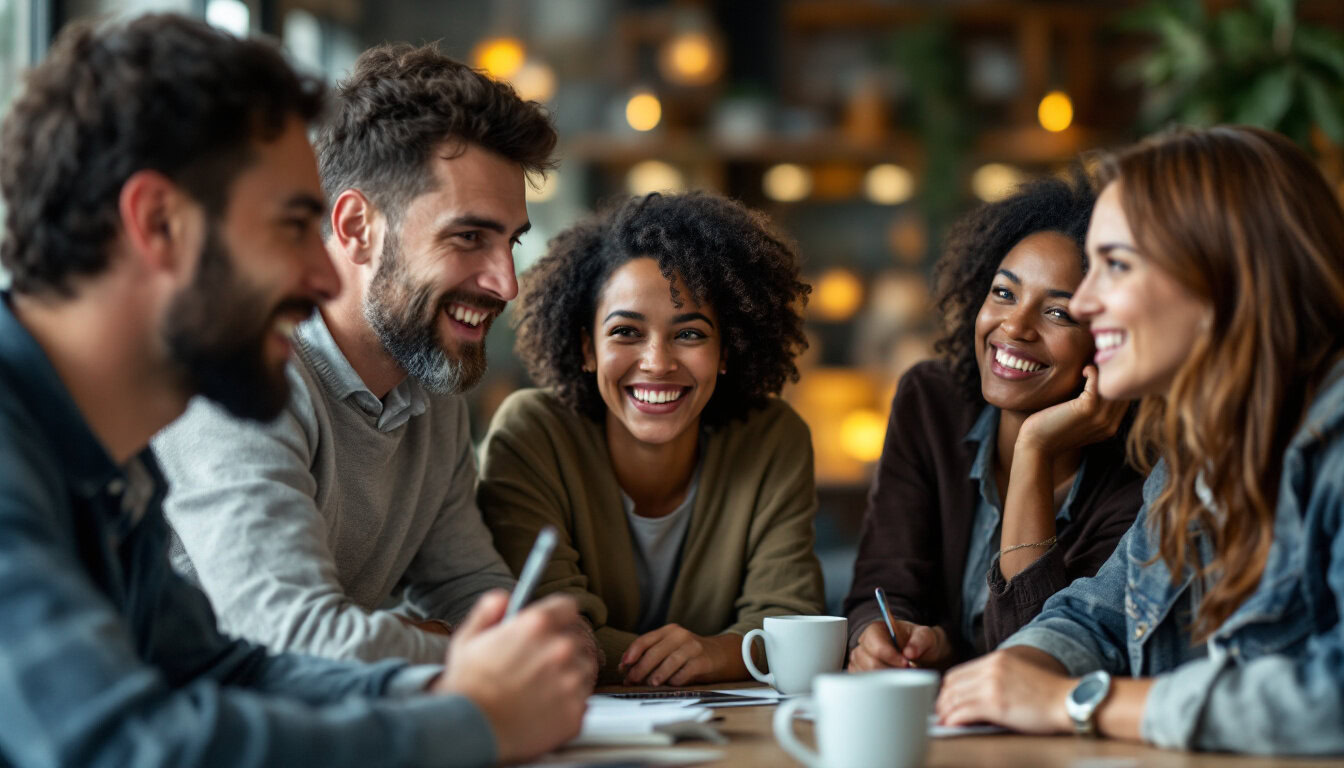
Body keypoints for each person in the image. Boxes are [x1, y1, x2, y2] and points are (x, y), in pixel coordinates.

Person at [0, 14, 587, 768]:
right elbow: (125, 748)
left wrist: (478, 692)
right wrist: (470, 719)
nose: (320, 279)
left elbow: (225, 669)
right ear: (158, 223)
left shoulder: (100, 456)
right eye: (290, 228)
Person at [151, 41, 598, 670]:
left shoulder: (428, 388)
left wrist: (548, 637)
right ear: (358, 227)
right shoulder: (244, 375)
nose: (507, 283)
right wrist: (459, 649)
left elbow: (474, 591)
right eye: (469, 237)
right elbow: (290, 634)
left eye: (510, 243)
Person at [934, 126, 1344, 755]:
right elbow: (1100, 613)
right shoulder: (1199, 455)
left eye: (1116, 266)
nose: (1088, 302)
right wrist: (1018, 674)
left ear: (1225, 277)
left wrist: (1074, 702)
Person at [478, 192, 825, 685]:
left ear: (727, 350)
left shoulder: (773, 440)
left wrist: (715, 654)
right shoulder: (533, 434)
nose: (658, 362)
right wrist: (718, 654)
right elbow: (546, 626)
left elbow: (791, 621)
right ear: (587, 348)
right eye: (625, 332)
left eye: (690, 335)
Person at [845, 173, 1146, 671]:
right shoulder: (931, 403)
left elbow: (1035, 656)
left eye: (1058, 313)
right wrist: (882, 637)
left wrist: (1034, 451)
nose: (1014, 326)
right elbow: (881, 586)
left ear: (1109, 337)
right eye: (1004, 294)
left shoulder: (1137, 478)